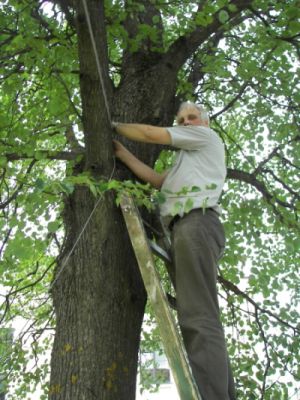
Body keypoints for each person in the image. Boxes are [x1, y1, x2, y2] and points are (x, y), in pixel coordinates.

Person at [113, 101, 236, 400]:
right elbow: (157, 180)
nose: (185, 122)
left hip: (196, 223)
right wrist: (121, 152)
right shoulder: (187, 163)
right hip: (186, 229)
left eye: (191, 117)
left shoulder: (206, 138)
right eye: (180, 119)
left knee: (198, 318)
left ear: (204, 123)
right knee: (199, 316)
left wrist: (111, 125)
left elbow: (151, 134)